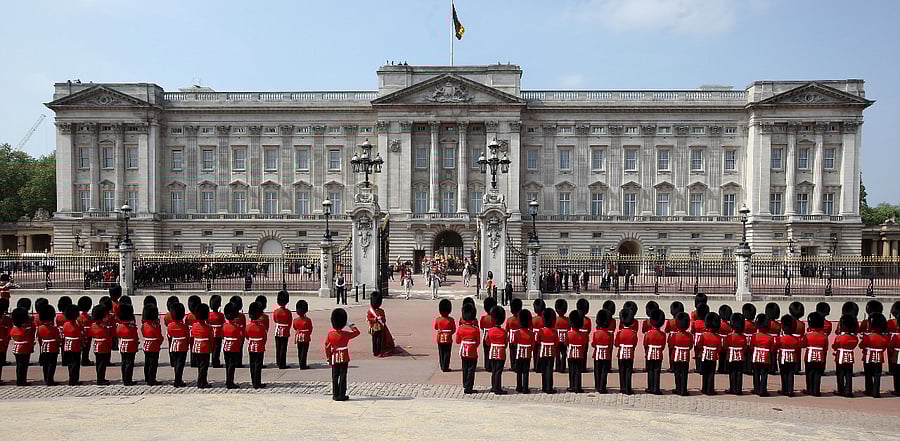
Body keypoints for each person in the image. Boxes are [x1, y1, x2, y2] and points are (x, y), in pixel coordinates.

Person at [325, 308, 360, 401]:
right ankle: (342, 394)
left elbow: (327, 347)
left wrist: (328, 357)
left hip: (334, 357)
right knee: (343, 376)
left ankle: (335, 394)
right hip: (344, 356)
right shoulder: (346, 334)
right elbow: (357, 332)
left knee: (335, 376)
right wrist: (349, 324)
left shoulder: (330, 335)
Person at [860, 312, 888, 398]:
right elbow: (884, 347)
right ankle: (876, 392)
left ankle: (869, 390)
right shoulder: (884, 337)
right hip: (879, 357)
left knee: (868, 374)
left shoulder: (868, 336)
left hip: (868, 356)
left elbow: (861, 346)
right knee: (877, 374)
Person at [801, 311, 827, 397]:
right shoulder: (824, 336)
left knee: (809, 373)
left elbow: (803, 345)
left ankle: (810, 389)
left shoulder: (808, 335)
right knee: (817, 374)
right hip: (820, 356)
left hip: (809, 356)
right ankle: (816, 390)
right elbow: (825, 348)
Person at [456, 303, 480, 394]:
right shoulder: (475, 329)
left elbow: (458, 341)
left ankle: (465, 384)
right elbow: (477, 342)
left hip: (463, 350)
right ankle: (469, 387)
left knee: (464, 367)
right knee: (471, 368)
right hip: (472, 350)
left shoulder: (461, 328)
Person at [833, 314, 859, 398]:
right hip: (850, 357)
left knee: (840, 374)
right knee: (848, 374)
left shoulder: (840, 337)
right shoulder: (855, 338)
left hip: (840, 356)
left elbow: (835, 346)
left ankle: (841, 390)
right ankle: (848, 391)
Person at [669, 312, 693, 396]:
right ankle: (683, 389)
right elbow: (690, 347)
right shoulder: (690, 336)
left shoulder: (675, 335)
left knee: (677, 373)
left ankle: (678, 389)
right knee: (684, 373)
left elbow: (671, 345)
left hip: (676, 355)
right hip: (685, 356)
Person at [697, 312, 722, 395]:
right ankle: (710, 389)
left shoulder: (704, 335)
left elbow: (699, 345)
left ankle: (704, 388)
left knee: (705, 373)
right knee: (711, 373)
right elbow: (719, 348)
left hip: (704, 355)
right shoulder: (718, 337)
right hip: (713, 356)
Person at [750, 314, 775, 397]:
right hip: (766, 357)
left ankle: (756, 388)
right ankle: (763, 390)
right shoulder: (770, 337)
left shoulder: (754, 336)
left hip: (756, 356)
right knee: (764, 374)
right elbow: (771, 349)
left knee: (756, 372)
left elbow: (751, 346)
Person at [775, 315, 799, 396]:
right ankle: (790, 390)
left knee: (783, 373)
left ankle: (784, 389)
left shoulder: (780, 338)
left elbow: (776, 346)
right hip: (793, 358)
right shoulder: (795, 339)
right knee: (791, 374)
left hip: (782, 357)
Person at [615, 308, 638, 395]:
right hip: (630, 354)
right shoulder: (633, 333)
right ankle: (628, 388)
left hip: (621, 354)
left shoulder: (620, 332)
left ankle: (622, 387)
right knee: (628, 370)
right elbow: (635, 344)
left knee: (622, 370)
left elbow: (616, 344)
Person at [644, 309, 666, 395]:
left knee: (650, 370)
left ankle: (650, 388)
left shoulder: (648, 334)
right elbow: (663, 346)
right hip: (659, 354)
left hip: (649, 353)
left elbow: (645, 344)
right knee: (657, 371)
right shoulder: (663, 334)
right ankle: (656, 388)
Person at [166, 302, 189, 388]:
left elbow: (169, 335)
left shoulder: (170, 326)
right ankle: (178, 380)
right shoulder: (183, 326)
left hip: (173, 346)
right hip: (182, 346)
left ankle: (178, 379)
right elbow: (187, 336)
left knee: (176, 364)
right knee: (180, 364)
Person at [486, 305, 508, 395]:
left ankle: (493, 386)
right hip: (501, 352)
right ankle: (497, 388)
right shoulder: (503, 332)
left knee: (494, 370)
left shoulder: (490, 331)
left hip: (492, 351)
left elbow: (487, 342)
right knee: (498, 370)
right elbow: (506, 343)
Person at [190, 303, 213, 389]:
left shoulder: (194, 326)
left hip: (196, 347)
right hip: (204, 347)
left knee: (200, 366)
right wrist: (211, 347)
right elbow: (211, 339)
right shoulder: (208, 327)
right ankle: (202, 382)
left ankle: (202, 381)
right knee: (204, 366)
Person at [116, 303, 139, 386]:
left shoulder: (119, 326)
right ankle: (128, 380)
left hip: (122, 345)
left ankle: (124, 378)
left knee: (124, 362)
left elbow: (118, 335)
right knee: (129, 363)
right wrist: (137, 343)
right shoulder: (131, 327)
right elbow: (135, 337)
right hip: (130, 345)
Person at [222, 303, 244, 389]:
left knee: (228, 364)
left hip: (225, 346)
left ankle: (228, 380)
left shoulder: (224, 325)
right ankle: (230, 382)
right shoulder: (236, 327)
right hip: (233, 347)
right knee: (231, 365)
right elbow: (240, 337)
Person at [536, 308, 558, 394]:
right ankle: (549, 387)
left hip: (542, 352)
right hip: (551, 352)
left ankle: (544, 387)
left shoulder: (541, 331)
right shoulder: (554, 331)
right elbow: (556, 342)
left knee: (544, 370)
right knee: (549, 370)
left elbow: (538, 341)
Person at [37, 304, 59, 386]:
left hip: (44, 347)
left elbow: (39, 338)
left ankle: (46, 378)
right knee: (52, 364)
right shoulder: (54, 328)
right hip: (53, 347)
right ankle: (50, 380)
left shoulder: (40, 328)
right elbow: (58, 339)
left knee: (45, 364)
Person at [246, 301, 267, 389]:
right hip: (259, 347)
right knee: (258, 365)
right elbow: (264, 337)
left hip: (251, 346)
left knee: (252, 364)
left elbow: (247, 336)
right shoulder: (261, 326)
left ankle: (253, 381)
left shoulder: (248, 326)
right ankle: (257, 382)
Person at [89, 305, 112, 386]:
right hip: (103, 346)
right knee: (102, 364)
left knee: (99, 363)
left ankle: (100, 378)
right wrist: (110, 345)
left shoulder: (93, 325)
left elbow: (91, 334)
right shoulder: (103, 327)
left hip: (96, 345)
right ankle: (101, 379)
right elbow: (108, 338)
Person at [512, 309, 533, 393]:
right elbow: (533, 345)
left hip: (518, 353)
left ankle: (519, 386)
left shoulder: (517, 332)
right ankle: (525, 388)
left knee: (519, 371)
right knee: (526, 371)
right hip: (527, 353)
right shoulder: (531, 333)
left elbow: (514, 343)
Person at [591, 309, 613, 393]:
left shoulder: (596, 333)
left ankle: (597, 385)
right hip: (606, 354)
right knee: (604, 371)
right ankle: (602, 387)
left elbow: (593, 344)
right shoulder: (609, 335)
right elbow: (610, 346)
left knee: (597, 370)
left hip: (597, 354)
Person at [141, 304, 162, 386]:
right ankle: (151, 379)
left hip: (146, 344)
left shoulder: (144, 325)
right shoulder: (155, 326)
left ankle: (147, 377)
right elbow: (159, 337)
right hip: (154, 346)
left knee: (147, 362)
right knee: (153, 364)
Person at [566, 310, 587, 393]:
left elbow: (566, 343)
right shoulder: (583, 334)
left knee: (571, 370)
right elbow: (584, 345)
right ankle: (578, 387)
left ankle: (571, 386)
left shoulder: (569, 333)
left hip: (571, 354)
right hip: (579, 354)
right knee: (578, 370)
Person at [368, 292, 395, 357]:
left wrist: (375, 319)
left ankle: (375, 352)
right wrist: (376, 319)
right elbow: (384, 320)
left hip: (374, 327)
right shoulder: (381, 311)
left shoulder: (370, 311)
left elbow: (369, 318)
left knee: (374, 340)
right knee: (378, 340)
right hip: (378, 327)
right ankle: (378, 351)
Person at [60, 304, 82, 385]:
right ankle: (74, 380)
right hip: (75, 346)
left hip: (67, 345)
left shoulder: (65, 324)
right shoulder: (77, 325)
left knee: (70, 364)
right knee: (76, 364)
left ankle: (71, 378)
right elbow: (80, 336)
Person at [10, 307, 31, 385]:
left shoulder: (13, 329)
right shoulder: (25, 331)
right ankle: (22, 381)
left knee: (19, 365)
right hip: (24, 349)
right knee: (23, 366)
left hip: (16, 348)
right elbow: (30, 340)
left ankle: (19, 380)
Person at [434, 299, 456, 372]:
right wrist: (449, 333)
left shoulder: (438, 319)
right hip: (448, 338)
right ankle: (446, 367)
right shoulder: (451, 320)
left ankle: (442, 365)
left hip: (440, 337)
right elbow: (453, 330)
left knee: (441, 352)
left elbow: (435, 327)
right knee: (447, 352)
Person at [272, 291, 292, 369]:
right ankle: (282, 363)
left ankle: (278, 361)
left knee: (278, 347)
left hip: (277, 330)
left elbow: (275, 320)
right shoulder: (288, 312)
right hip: (285, 331)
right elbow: (289, 322)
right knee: (283, 348)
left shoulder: (276, 311)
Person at [293, 300, 313, 369]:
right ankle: (303, 364)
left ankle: (300, 363)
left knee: (299, 351)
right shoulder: (308, 320)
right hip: (306, 337)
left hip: (299, 337)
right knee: (304, 351)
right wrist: (307, 334)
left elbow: (295, 327)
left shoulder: (295, 320)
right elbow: (310, 329)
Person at [480, 297, 497, 371]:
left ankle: (487, 365)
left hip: (486, 336)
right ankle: (492, 365)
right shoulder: (494, 318)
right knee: (493, 351)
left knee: (486, 351)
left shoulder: (483, 318)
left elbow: (482, 327)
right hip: (493, 336)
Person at [207, 295, 225, 369]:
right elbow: (223, 323)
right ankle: (215, 362)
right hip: (218, 334)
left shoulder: (208, 315)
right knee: (217, 349)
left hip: (210, 333)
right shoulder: (221, 315)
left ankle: (211, 361)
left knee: (211, 348)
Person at [505, 298, 522, 370]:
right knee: (518, 351)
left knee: (512, 353)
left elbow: (507, 329)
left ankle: (513, 365)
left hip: (512, 338)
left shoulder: (510, 320)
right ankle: (518, 365)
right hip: (520, 337)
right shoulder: (521, 318)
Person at [741, 303, 758, 375]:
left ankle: (744, 368)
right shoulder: (754, 324)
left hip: (744, 339)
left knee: (745, 355)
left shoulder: (744, 323)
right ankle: (750, 368)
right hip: (752, 340)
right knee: (750, 355)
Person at [77, 296, 93, 367]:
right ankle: (85, 360)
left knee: (81, 348)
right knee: (86, 349)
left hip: (80, 334)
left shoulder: (78, 316)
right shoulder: (89, 317)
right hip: (87, 334)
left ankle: (82, 360)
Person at [553, 299, 569, 373]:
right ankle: (563, 366)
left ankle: (557, 366)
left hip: (557, 338)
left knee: (557, 353)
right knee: (564, 352)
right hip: (565, 337)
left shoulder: (556, 320)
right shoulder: (567, 320)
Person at [531, 299, 545, 373]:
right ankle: (540, 366)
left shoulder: (533, 319)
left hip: (535, 336)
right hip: (542, 336)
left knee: (535, 352)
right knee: (541, 352)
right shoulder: (544, 318)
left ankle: (536, 366)